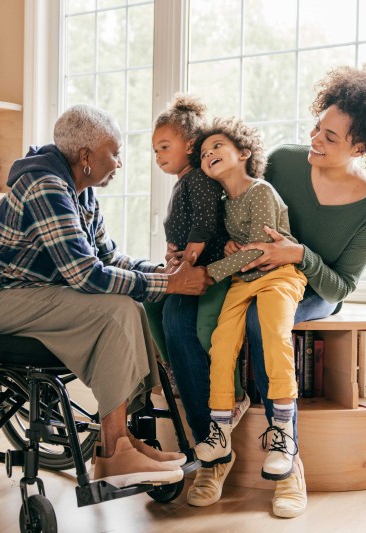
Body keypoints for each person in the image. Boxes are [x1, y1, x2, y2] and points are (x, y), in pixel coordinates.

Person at [163, 64, 366, 516]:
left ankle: (288, 460)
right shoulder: (283, 160)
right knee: (177, 315)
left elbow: (342, 285)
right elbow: (235, 205)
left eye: (331, 138)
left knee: (263, 324)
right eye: (317, 128)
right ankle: (214, 449)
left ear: (360, 147)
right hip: (249, 272)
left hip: (310, 286)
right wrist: (221, 243)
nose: (315, 141)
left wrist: (298, 254)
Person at [0, 104, 213, 489]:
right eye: (114, 152)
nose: (119, 162)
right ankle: (114, 449)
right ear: (85, 157)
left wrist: (161, 272)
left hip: (27, 296)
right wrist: (171, 285)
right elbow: (84, 275)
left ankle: (120, 443)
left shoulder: (81, 194)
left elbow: (107, 257)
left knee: (129, 305)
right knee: (117, 309)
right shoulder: (45, 186)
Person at [190, 117, 307, 487]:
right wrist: (227, 248)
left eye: (218, 147)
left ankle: (283, 433)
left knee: (274, 334)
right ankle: (219, 428)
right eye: (204, 152)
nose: (209, 154)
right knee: (222, 343)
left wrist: (211, 272)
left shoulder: (261, 191)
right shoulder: (224, 203)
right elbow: (238, 246)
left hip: (278, 275)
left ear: (243, 152)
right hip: (244, 280)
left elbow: (258, 250)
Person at [143, 94, 243, 403]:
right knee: (149, 303)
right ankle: (172, 367)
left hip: (209, 267)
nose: (158, 156)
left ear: (189, 145)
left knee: (201, 327)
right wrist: (175, 254)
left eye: (164, 147)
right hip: (188, 263)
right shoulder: (183, 181)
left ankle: (229, 393)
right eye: (155, 150)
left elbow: (205, 223)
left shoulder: (199, 179)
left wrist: (187, 258)